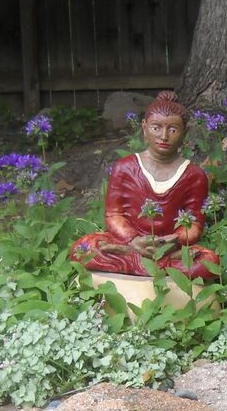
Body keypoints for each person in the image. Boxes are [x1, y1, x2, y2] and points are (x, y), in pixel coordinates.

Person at [70, 91, 219, 280]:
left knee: (210, 261)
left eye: (173, 130)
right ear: (144, 128)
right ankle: (158, 263)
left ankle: (144, 259)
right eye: (156, 128)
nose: (164, 136)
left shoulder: (194, 175)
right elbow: (114, 214)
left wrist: (174, 240)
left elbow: (195, 224)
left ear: (185, 133)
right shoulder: (125, 167)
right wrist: (133, 239)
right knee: (83, 249)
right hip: (130, 240)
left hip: (170, 244)